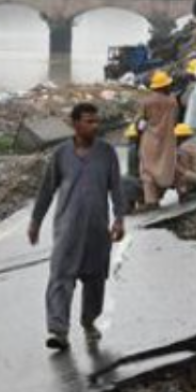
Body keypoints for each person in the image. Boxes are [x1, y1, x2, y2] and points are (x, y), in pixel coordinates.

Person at [29, 103, 126, 351]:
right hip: (67, 230)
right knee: (60, 277)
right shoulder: (61, 154)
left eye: (96, 121)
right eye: (89, 121)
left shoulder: (106, 153)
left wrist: (119, 218)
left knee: (95, 281)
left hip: (97, 231)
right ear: (75, 124)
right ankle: (59, 330)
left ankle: (88, 322)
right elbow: (47, 190)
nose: (95, 126)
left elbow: (116, 187)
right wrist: (36, 221)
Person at [136, 70, 178, 208]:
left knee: (147, 170)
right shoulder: (172, 101)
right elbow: (176, 120)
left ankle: (151, 200)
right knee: (165, 167)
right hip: (167, 141)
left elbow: (140, 122)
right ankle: (181, 190)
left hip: (149, 140)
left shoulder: (146, 101)